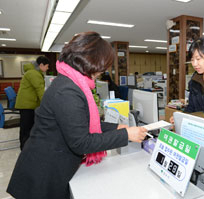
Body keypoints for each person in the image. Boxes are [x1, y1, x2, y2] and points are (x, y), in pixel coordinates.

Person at [7, 32, 147, 199]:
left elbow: (81, 122)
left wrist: (115, 127)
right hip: (44, 173)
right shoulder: (68, 90)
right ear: (92, 61)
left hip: (50, 164)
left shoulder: (70, 82)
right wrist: (125, 135)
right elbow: (81, 142)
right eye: (103, 65)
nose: (102, 71)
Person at [15, 56, 50, 150]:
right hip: (27, 105)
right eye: (47, 66)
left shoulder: (34, 72)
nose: (48, 68)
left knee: (28, 126)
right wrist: (48, 105)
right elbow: (40, 90)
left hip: (29, 103)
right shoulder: (33, 74)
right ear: (41, 65)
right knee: (26, 128)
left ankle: (27, 146)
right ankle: (24, 148)